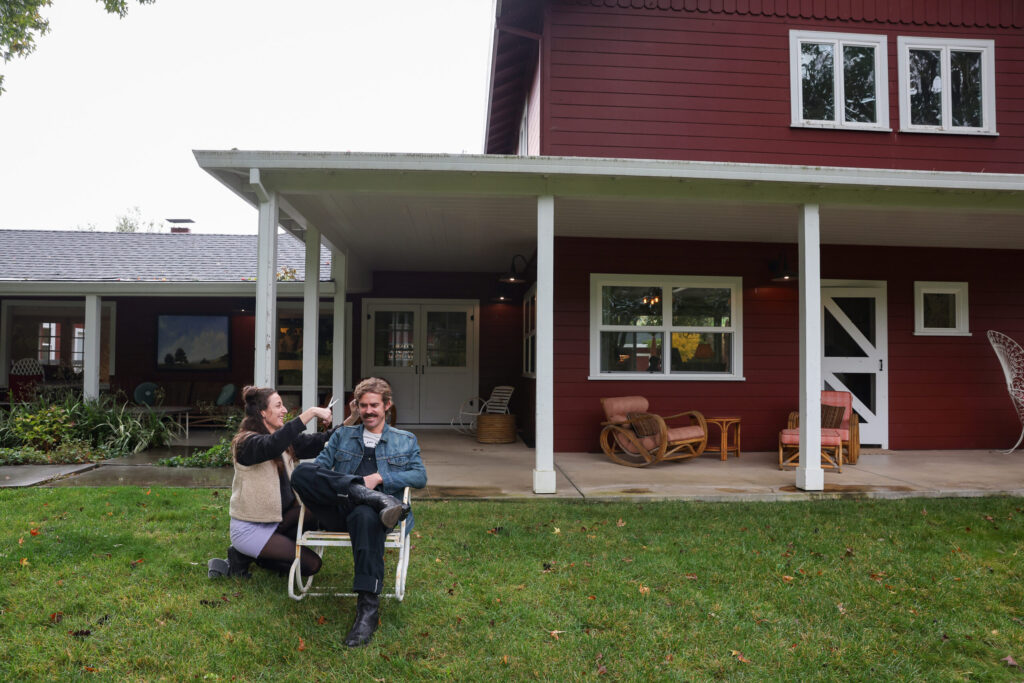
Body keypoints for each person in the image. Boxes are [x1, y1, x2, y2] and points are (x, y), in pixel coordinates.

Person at [291, 377, 426, 648]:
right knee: (302, 472)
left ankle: (367, 609)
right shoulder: (343, 434)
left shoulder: (404, 440)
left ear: (387, 405)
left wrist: (379, 478)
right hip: (338, 509)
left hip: (375, 517)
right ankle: (372, 498)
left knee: (366, 514)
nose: (368, 411)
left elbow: (419, 476)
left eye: (374, 405)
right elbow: (319, 467)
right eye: (363, 406)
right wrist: (352, 487)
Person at [206, 386, 338, 579]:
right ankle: (252, 556)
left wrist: (353, 418)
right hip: (250, 529)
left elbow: (319, 441)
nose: (284, 410)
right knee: (311, 565)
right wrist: (311, 413)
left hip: (276, 519)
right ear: (262, 413)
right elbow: (271, 446)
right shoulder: (246, 443)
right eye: (278, 406)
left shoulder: (282, 440)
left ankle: (244, 556)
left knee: (313, 509)